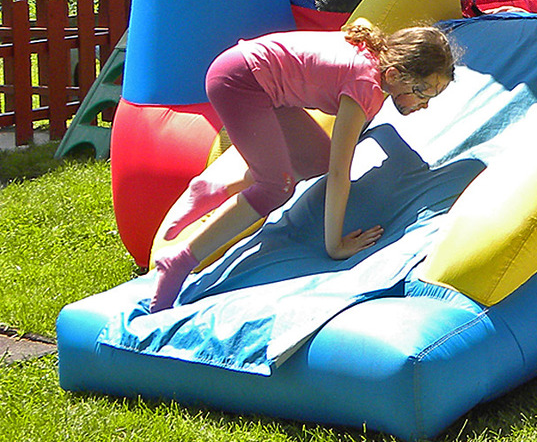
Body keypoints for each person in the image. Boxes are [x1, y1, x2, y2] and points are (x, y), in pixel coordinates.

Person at [146, 16, 456, 312]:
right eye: (422, 93)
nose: (424, 104)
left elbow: (336, 161)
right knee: (275, 189)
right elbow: (340, 172)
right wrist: (334, 246)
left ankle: (213, 189)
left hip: (259, 81)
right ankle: (180, 260)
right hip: (240, 82)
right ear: (395, 75)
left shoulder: (376, 56)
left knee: (315, 162)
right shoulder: (366, 85)